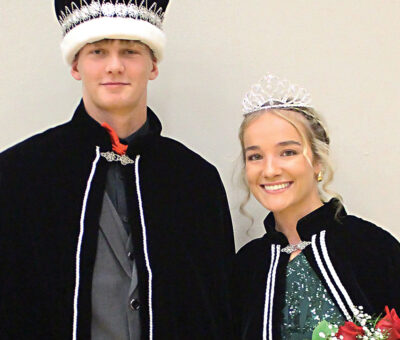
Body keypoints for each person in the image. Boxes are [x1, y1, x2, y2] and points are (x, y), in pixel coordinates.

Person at [0, 1, 234, 339]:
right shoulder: (17, 177)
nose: (114, 66)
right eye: (97, 51)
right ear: (76, 66)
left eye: (129, 51)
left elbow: (217, 308)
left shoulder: (196, 180)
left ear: (153, 65)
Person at [232, 74, 400, 340]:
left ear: (318, 161)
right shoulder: (245, 266)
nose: (270, 169)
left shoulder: (371, 246)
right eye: (255, 156)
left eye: (288, 152)